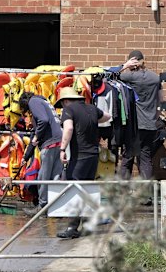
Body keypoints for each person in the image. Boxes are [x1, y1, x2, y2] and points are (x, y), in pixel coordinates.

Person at [55, 86, 111, 239]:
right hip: (93, 156)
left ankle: (72, 228)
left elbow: (68, 129)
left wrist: (62, 149)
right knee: (86, 189)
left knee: (74, 190)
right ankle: (88, 224)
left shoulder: (69, 110)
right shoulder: (92, 108)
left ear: (66, 101)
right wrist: (93, 120)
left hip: (79, 156)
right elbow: (107, 116)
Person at [118, 50, 163, 180]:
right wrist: (155, 116)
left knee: (127, 158)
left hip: (134, 126)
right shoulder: (156, 77)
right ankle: (146, 195)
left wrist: (125, 66)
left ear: (132, 61)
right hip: (150, 124)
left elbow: (109, 76)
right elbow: (161, 99)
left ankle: (123, 194)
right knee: (145, 158)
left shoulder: (129, 77)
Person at [19, 91, 64, 215]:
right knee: (54, 177)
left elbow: (42, 122)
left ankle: (42, 207)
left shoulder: (33, 101)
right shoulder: (44, 102)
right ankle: (55, 208)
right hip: (60, 141)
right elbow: (37, 129)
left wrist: (37, 137)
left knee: (43, 177)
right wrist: (26, 156)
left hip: (49, 143)